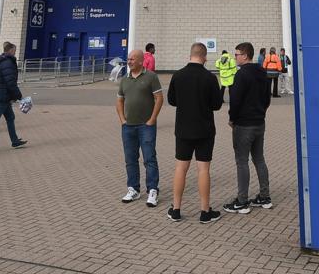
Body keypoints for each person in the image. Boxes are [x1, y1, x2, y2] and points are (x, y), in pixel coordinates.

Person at [166, 43, 223, 224]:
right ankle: (205, 211)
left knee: (180, 168)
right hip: (205, 130)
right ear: (205, 57)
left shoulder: (178, 75)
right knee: (203, 170)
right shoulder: (209, 78)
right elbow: (216, 105)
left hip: (183, 129)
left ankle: (176, 209)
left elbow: (172, 100)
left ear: (190, 54)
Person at [224, 42, 272, 215]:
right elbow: (267, 99)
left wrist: (232, 118)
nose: (234, 57)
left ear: (245, 55)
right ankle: (264, 196)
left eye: (236, 54)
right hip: (260, 122)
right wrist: (261, 113)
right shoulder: (262, 72)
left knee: (242, 161)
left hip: (244, 125)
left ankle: (242, 201)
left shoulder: (241, 74)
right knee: (259, 159)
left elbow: (235, 100)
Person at [116, 49, 163, 207]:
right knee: (130, 159)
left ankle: (152, 190)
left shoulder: (151, 77)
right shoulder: (124, 80)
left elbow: (159, 98)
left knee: (149, 158)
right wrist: (122, 119)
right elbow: (120, 101)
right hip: (128, 126)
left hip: (146, 126)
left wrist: (152, 119)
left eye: (132, 59)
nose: (129, 62)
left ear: (141, 61)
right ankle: (133, 189)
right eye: (128, 59)